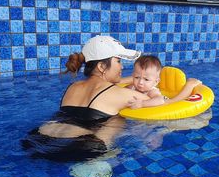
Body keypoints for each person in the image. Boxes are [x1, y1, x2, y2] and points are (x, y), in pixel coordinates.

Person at [23, 35, 152, 161]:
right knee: (119, 119)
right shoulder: (119, 94)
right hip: (77, 148)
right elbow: (161, 102)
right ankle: (96, 162)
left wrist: (136, 78)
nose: (122, 67)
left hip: (36, 139)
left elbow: (107, 83)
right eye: (118, 61)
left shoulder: (73, 86)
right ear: (101, 66)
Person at [123, 55, 202, 109]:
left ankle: (190, 84)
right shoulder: (132, 87)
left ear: (156, 82)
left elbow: (160, 100)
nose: (140, 82)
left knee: (176, 100)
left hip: (166, 101)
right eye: (137, 77)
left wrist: (142, 104)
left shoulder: (152, 92)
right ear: (133, 75)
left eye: (146, 79)